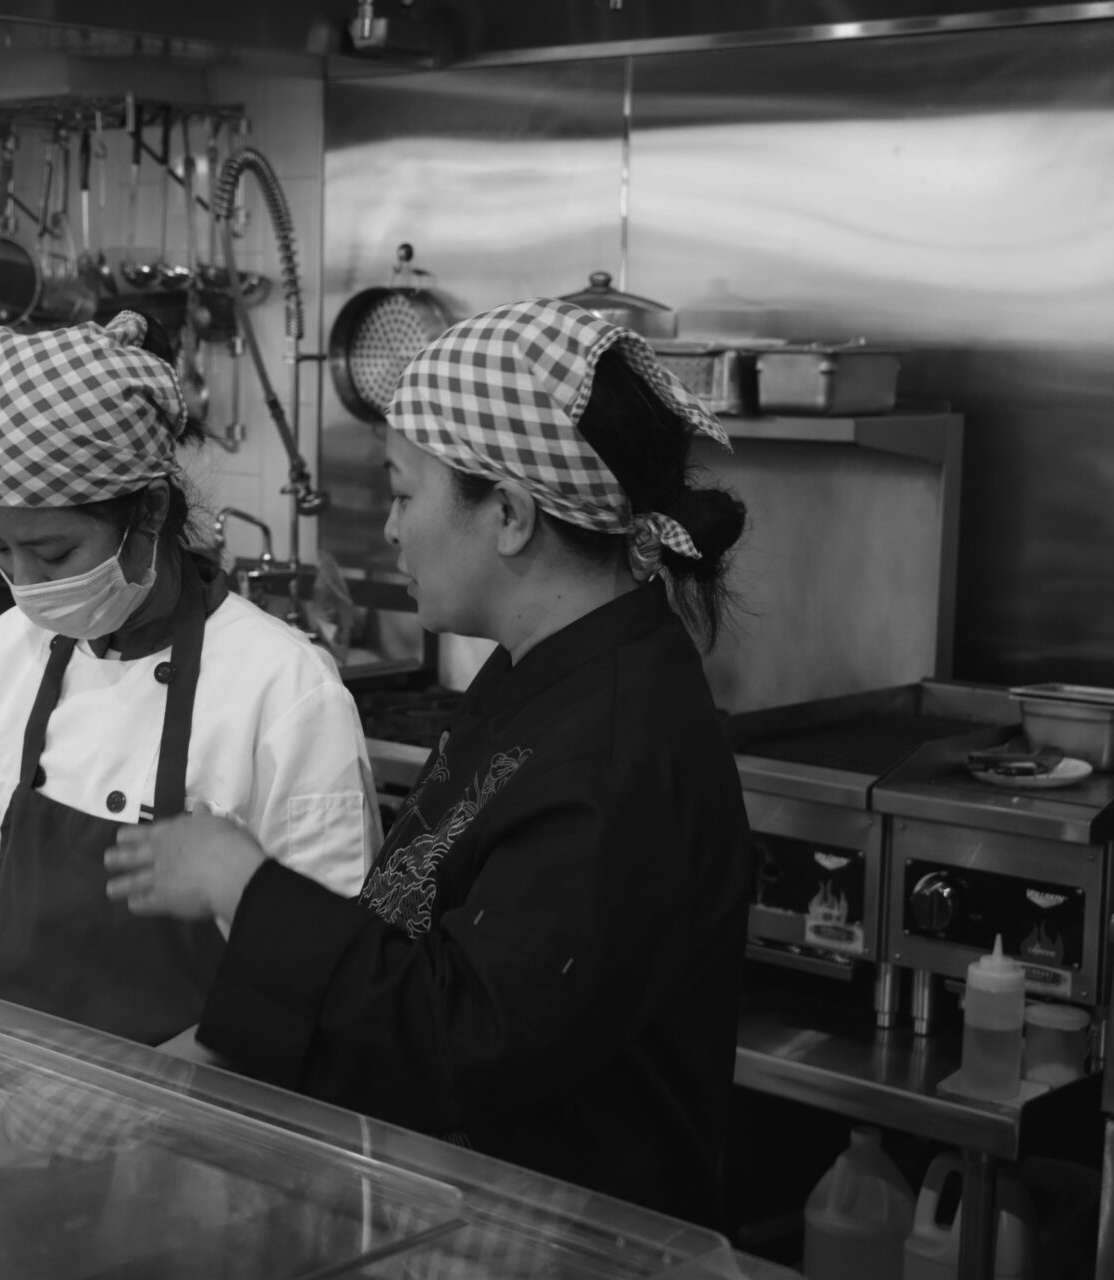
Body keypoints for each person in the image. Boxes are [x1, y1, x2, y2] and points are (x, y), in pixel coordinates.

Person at [104, 297, 754, 1227]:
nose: (390, 530)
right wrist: (212, 1057)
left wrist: (246, 887)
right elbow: (417, 944)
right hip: (462, 1218)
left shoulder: (619, 753)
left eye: (405, 496)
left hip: (568, 1244)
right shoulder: (539, 674)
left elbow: (463, 1045)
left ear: (510, 513)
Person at [0, 309, 378, 1050]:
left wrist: (155, 1088)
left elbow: (321, 967)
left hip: (192, 1107)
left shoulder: (285, 688)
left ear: (149, 510)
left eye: (54, 554)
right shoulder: (7, 652)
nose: (27, 585)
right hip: (2, 1091)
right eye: (0, 549)